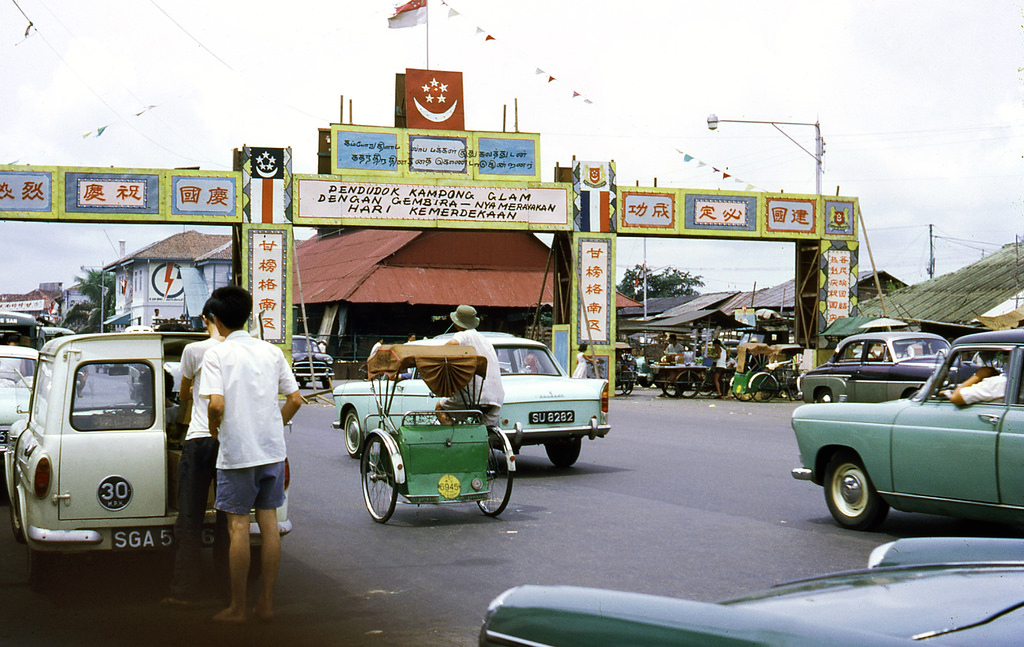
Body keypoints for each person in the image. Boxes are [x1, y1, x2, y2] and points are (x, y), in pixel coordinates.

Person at [198, 286, 303, 623]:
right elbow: (296, 399)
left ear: (215, 320)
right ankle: (267, 604)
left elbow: (215, 404)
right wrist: (274, 423)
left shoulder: (217, 354)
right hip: (272, 451)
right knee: (269, 525)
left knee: (238, 529)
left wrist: (215, 428)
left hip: (238, 454)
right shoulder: (271, 352)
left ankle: (238, 608)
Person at [162, 303, 225, 609]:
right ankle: (227, 590)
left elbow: (184, 393)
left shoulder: (194, 351)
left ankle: (184, 589)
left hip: (199, 437)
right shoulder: (244, 352)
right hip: (229, 442)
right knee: (229, 520)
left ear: (206, 319)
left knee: (190, 517)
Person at [436, 305, 504, 427]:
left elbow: (450, 345)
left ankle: (455, 439)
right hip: (496, 398)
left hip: (475, 398)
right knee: (485, 434)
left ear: (456, 323)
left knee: (439, 407)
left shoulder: (463, 335)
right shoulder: (485, 340)